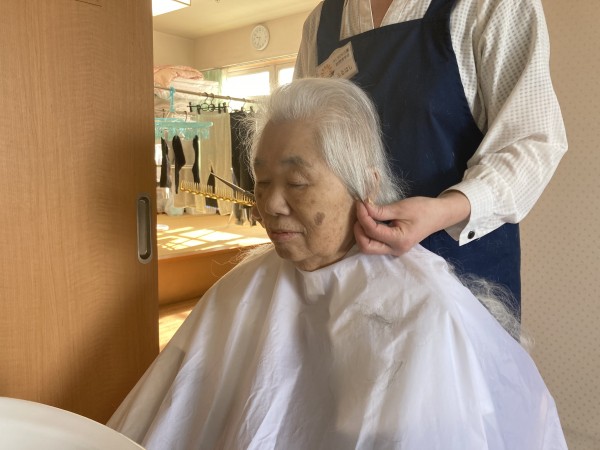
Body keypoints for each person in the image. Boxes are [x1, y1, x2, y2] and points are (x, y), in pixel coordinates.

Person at [107, 78, 566, 449]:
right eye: (261, 181)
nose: (271, 205)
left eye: (297, 182)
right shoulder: (241, 290)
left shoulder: (419, 310)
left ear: (366, 185)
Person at [294, 0, 568, 317]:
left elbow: (531, 141)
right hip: (347, 285)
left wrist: (444, 210)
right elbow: (300, 136)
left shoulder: (492, 5)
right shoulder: (321, 22)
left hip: (459, 286)